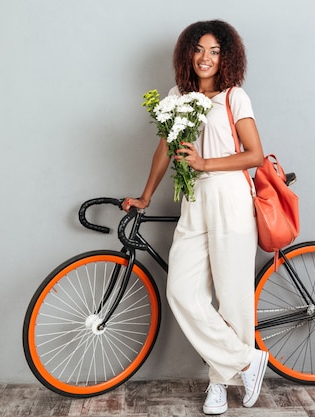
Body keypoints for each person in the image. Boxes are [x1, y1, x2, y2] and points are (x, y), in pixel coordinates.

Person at [124, 20, 267, 415]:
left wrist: (205, 163)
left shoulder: (235, 96)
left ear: (226, 57)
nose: (206, 58)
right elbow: (165, 150)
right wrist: (146, 196)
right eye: (199, 49)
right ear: (188, 53)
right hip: (193, 199)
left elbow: (254, 155)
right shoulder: (178, 96)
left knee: (232, 295)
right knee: (182, 292)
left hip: (230, 198)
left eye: (215, 51)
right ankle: (244, 360)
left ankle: (219, 385)